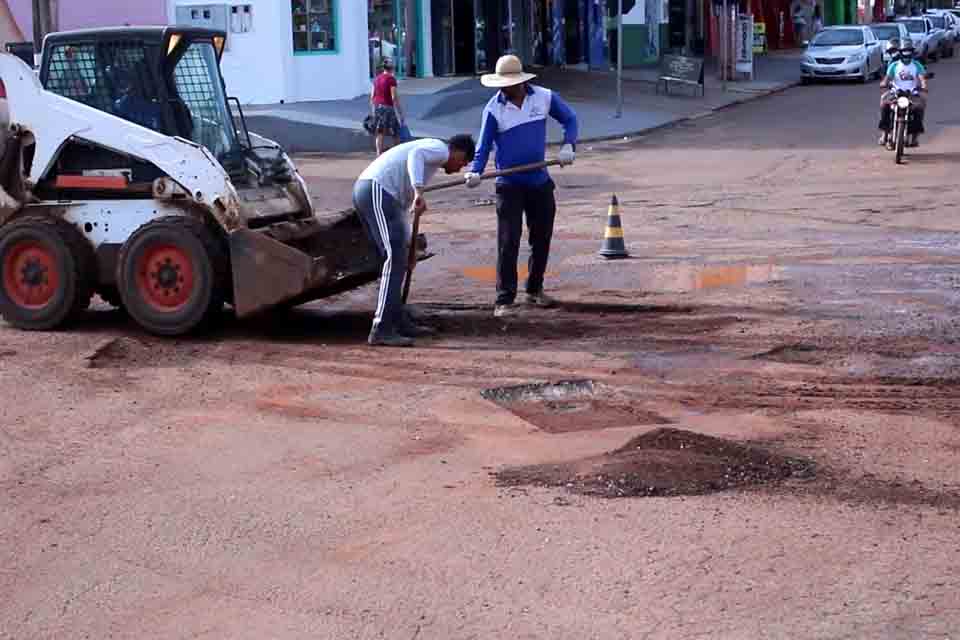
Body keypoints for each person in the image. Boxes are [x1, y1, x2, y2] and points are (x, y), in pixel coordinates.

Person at [464, 55, 578, 318]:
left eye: (509, 83)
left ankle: (534, 290)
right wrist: (475, 171)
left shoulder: (544, 97)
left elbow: (570, 119)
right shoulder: (493, 109)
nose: (504, 88)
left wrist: (568, 144)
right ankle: (504, 299)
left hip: (539, 181)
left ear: (520, 82)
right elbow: (483, 146)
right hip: (509, 185)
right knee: (508, 241)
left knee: (541, 238)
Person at [353, 135, 476, 347]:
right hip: (376, 190)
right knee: (394, 259)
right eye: (463, 162)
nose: (460, 168)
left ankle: (397, 320)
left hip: (382, 195)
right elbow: (415, 155)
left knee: (397, 259)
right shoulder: (439, 149)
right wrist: (419, 190)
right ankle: (381, 328)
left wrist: (409, 248)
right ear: (459, 152)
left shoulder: (429, 161)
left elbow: (403, 209)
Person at [879, 40, 928, 148]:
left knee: (919, 107)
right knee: (884, 104)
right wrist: (884, 83)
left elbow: (922, 77)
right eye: (904, 52)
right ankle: (885, 134)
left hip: (912, 94)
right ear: (900, 52)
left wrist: (924, 85)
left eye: (908, 52)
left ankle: (914, 137)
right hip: (896, 92)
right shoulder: (894, 65)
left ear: (912, 53)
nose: (906, 55)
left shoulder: (917, 65)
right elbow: (887, 78)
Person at [370, 59, 404, 156]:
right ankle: (397, 154)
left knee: (379, 132)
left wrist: (373, 111)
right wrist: (400, 113)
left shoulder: (376, 79)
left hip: (378, 107)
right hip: (388, 108)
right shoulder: (391, 79)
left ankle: (378, 154)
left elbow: (372, 96)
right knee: (395, 131)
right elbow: (394, 97)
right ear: (392, 69)